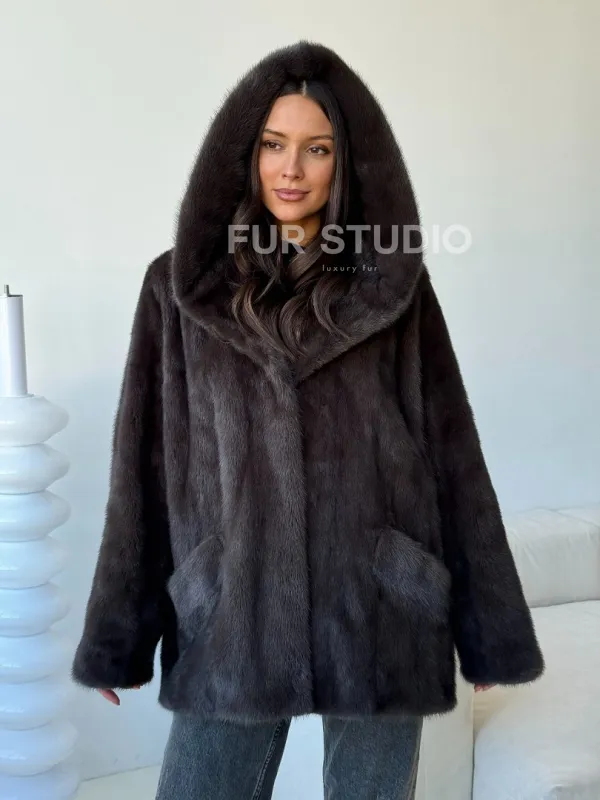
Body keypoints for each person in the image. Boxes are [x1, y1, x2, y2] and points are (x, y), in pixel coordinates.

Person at [70, 41, 545, 799]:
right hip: (233, 608)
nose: (291, 169)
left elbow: (454, 456)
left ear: (345, 162)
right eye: (273, 144)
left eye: (316, 149)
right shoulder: (180, 288)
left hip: (381, 605)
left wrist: (489, 633)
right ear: (243, 153)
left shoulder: (393, 288)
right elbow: (143, 467)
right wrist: (118, 634)